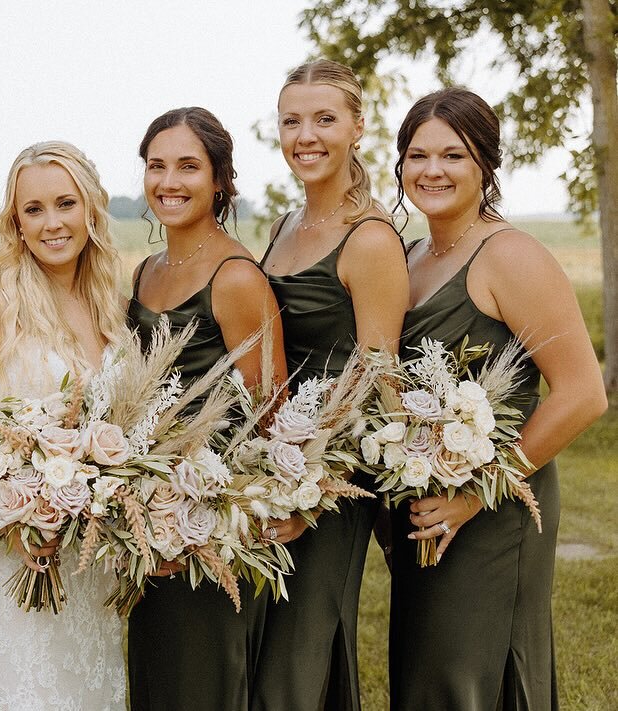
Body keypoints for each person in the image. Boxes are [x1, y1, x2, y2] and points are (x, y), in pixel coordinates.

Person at [390, 87, 607, 710]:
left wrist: (472, 494)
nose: (432, 170)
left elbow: (582, 394)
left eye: (453, 155)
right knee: (427, 673)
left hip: (497, 510)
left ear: (486, 164)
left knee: (472, 672)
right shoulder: (409, 257)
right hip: (423, 503)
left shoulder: (510, 256)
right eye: (417, 155)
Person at [0, 141, 128, 710]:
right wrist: (13, 514)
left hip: (94, 554)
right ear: (16, 222)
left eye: (65, 204)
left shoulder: (111, 309)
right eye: (34, 209)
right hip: (13, 551)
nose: (52, 223)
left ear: (91, 209)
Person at [256, 59, 408, 710]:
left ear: (357, 128)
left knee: (296, 666)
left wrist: (309, 489)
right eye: (292, 120)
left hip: (332, 485)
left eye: (324, 119)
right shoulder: (285, 226)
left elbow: (377, 380)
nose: (305, 135)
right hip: (272, 466)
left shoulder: (369, 238)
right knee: (267, 657)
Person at [125, 107, 287, 711]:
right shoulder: (145, 272)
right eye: (156, 166)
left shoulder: (236, 277)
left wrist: (216, 514)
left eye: (188, 166)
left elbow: (274, 415)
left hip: (210, 531)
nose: (169, 181)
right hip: (146, 521)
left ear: (219, 178)